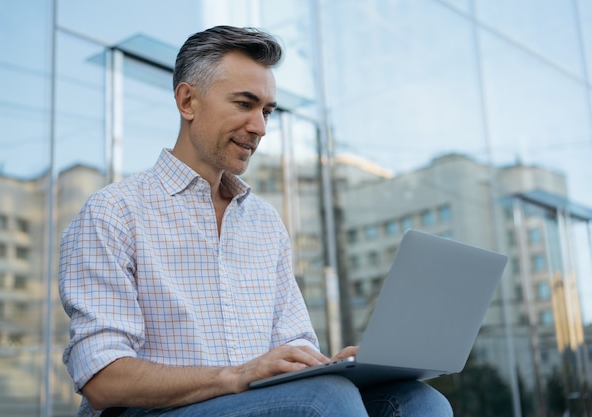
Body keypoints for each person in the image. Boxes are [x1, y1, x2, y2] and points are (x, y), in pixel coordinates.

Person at [59, 25, 453, 417]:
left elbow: (293, 348)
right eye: (244, 104)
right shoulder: (114, 211)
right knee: (326, 400)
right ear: (187, 102)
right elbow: (102, 378)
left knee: (419, 401)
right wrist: (235, 376)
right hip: (150, 413)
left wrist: (333, 365)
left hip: (255, 404)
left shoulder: (264, 221)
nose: (260, 128)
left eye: (266, 111)